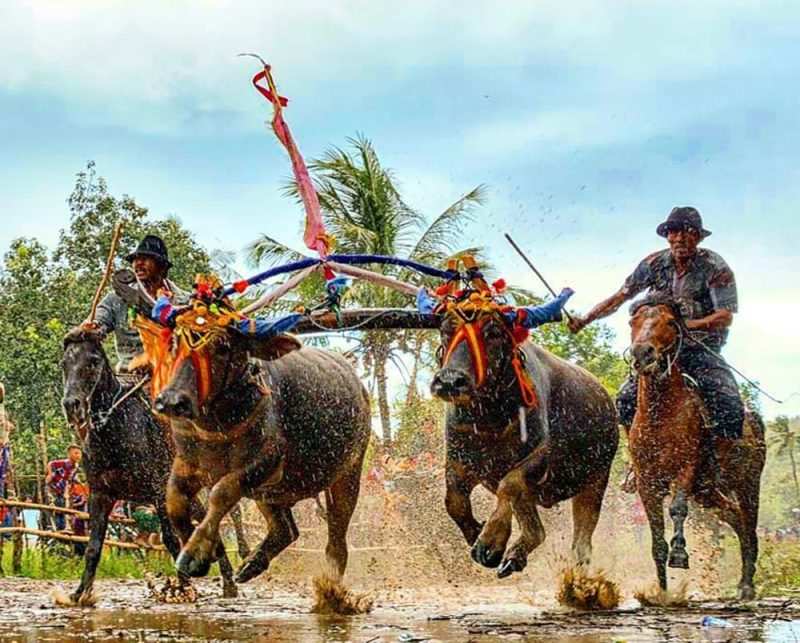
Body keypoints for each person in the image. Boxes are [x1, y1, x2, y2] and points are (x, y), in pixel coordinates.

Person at [568, 207, 743, 494]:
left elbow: (725, 315)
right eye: (673, 232)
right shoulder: (653, 264)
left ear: (697, 236)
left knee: (727, 400)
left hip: (700, 347)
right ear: (667, 237)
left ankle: (717, 469)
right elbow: (621, 296)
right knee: (625, 399)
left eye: (685, 232)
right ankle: (637, 464)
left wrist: (688, 325)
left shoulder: (715, 266)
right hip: (659, 351)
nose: (678, 238)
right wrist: (586, 319)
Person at [95, 234, 187, 375]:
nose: (138, 264)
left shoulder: (185, 302)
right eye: (135, 260)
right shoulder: (115, 299)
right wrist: (92, 327)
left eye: (145, 259)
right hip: (129, 377)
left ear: (162, 267)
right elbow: (98, 322)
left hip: (174, 379)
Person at [45, 444, 82, 531]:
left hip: (61, 490)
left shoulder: (75, 466)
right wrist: (50, 474)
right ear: (69, 454)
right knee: (53, 507)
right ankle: (53, 529)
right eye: (76, 453)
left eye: (80, 454)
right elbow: (51, 463)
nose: (78, 456)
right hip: (53, 488)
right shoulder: (65, 463)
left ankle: (61, 528)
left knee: (62, 509)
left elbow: (71, 478)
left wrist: (75, 484)